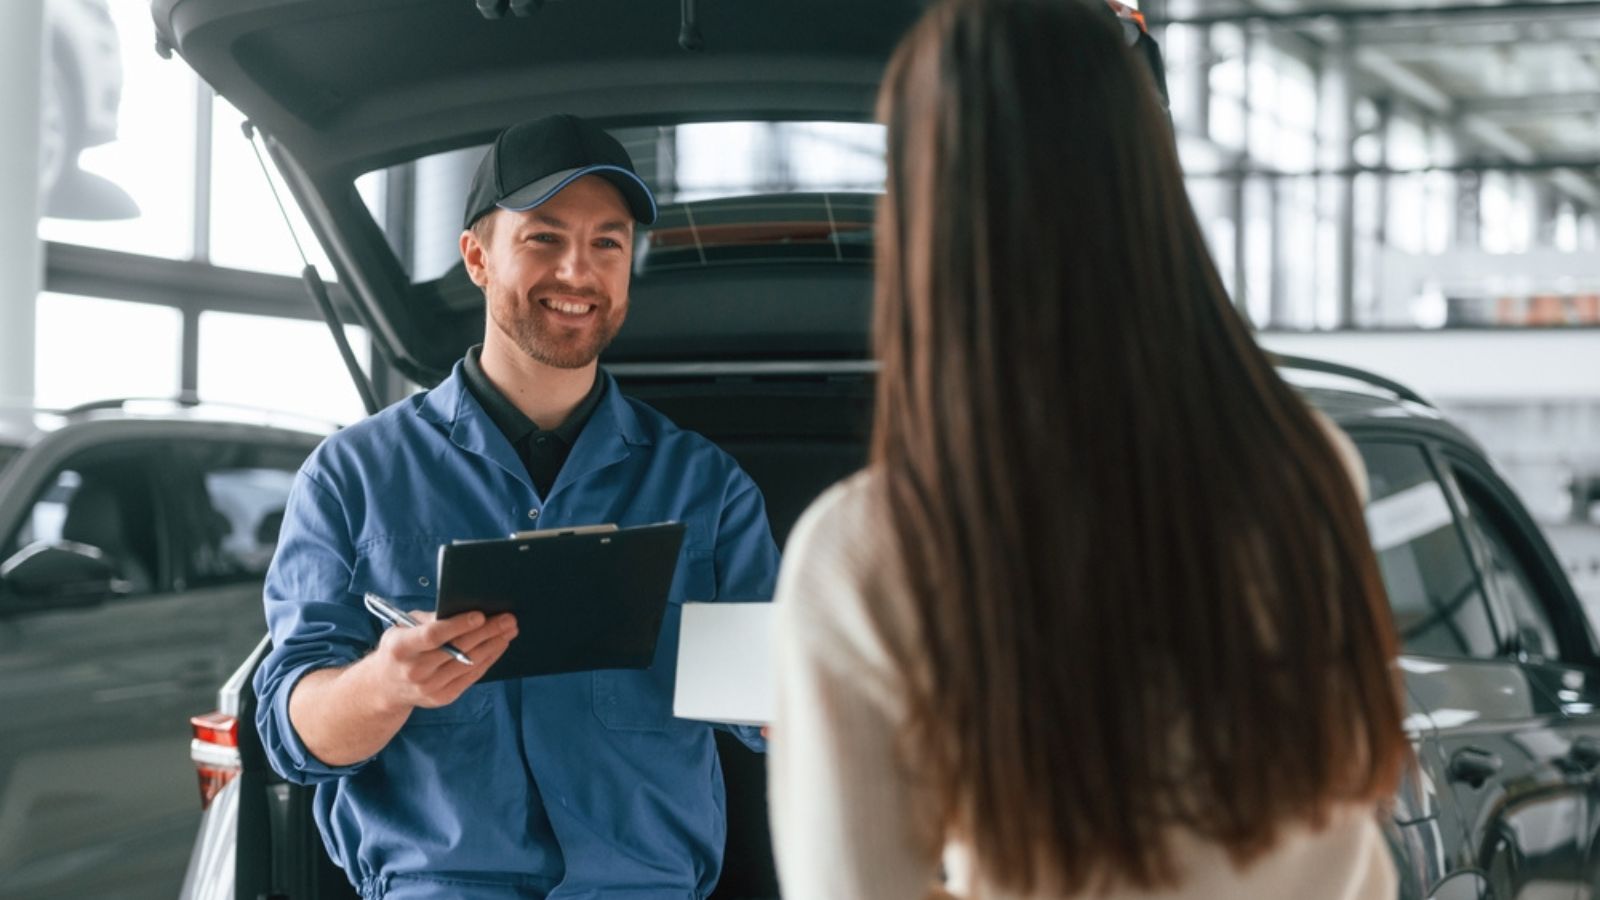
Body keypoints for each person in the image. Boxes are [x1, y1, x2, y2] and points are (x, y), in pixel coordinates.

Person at [766, 1, 1409, 898]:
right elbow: (1354, 853)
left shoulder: (873, 552)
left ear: (925, 208)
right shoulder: (1310, 469)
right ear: (1148, 168)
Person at [255, 113, 779, 900]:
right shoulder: (351, 477)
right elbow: (293, 739)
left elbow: (782, 710)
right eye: (543, 238)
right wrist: (387, 684)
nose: (579, 269)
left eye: (608, 242)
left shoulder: (707, 489)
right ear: (477, 257)